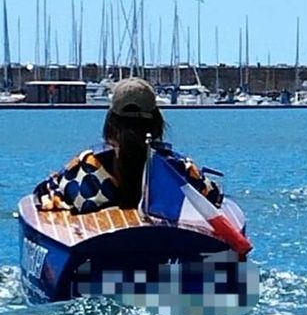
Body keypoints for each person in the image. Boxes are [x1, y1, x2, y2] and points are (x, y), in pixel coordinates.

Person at [34, 77, 222, 214]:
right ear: (157, 123)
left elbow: (49, 192)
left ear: (110, 123)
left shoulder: (85, 168)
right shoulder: (179, 169)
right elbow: (212, 196)